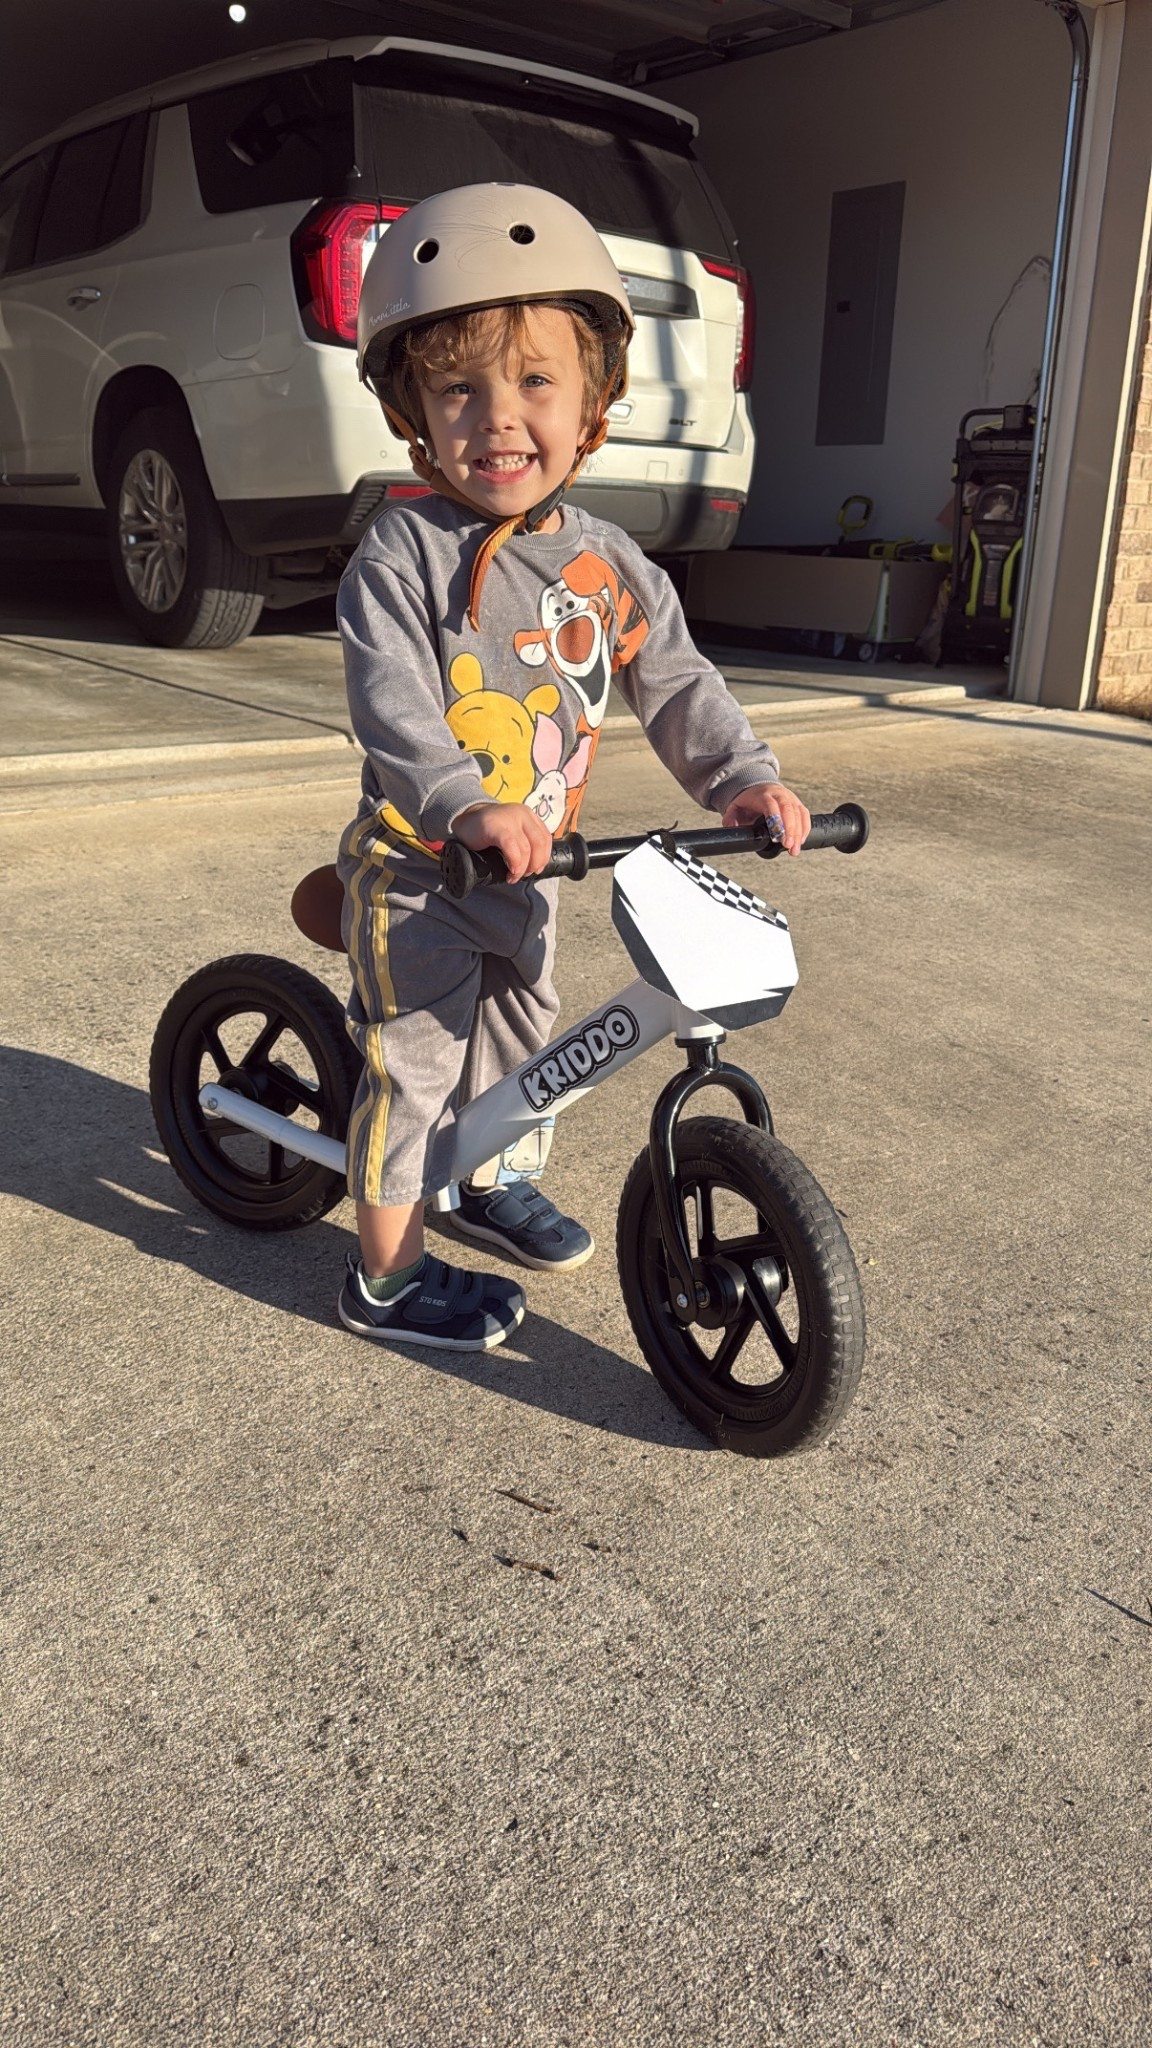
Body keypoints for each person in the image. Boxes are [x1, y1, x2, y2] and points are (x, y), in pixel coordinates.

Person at [335, 183, 810, 1353]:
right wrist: (465, 800)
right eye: (460, 388)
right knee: (419, 1058)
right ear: (411, 406)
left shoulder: (611, 566)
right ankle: (384, 1274)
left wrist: (741, 778)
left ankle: (484, 1179)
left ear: (594, 400)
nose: (501, 419)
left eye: (537, 381)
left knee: (521, 1039)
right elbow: (392, 705)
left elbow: (680, 684)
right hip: (419, 876)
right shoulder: (401, 554)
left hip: (533, 877)